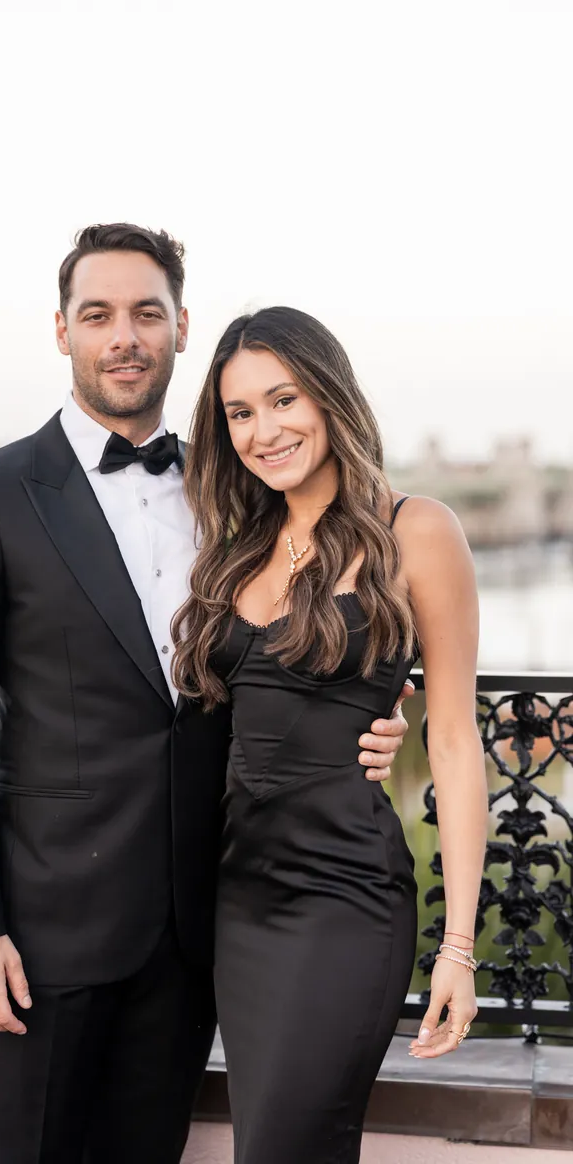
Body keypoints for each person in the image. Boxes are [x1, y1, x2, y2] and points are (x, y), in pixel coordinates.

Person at [0, 227, 413, 1164]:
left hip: (197, 930)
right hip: (42, 940)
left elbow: (295, 645)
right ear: (63, 332)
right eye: (98, 315)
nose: (124, 336)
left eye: (147, 313)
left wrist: (381, 708)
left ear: (182, 326)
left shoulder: (236, 497)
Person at [172, 306, 489, 1164]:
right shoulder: (241, 548)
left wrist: (458, 949)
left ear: (330, 395)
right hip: (240, 902)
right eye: (240, 413)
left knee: (284, 1145)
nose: (263, 430)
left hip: (344, 899)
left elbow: (456, 743)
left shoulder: (416, 529)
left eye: (283, 400)